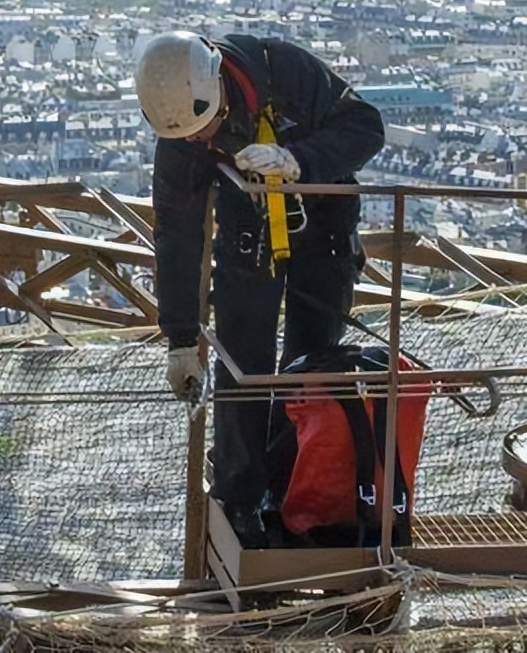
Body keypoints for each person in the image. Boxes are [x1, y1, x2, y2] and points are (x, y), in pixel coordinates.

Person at [137, 30, 385, 548]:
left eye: (210, 132)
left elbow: (365, 126)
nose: (203, 144)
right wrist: (181, 338)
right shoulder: (183, 129)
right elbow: (177, 234)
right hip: (249, 239)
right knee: (241, 366)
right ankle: (240, 498)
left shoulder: (282, 70)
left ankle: (293, 488)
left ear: (221, 86)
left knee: (311, 369)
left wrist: (298, 159)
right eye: (193, 139)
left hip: (324, 233)